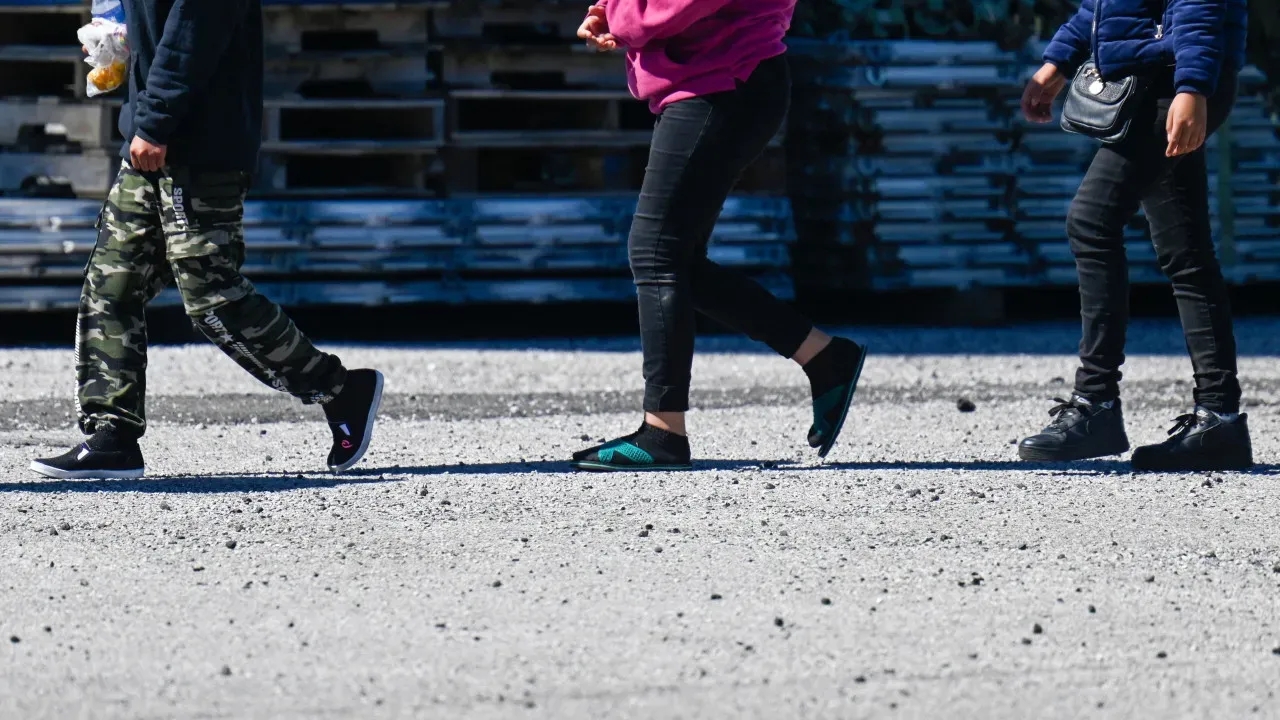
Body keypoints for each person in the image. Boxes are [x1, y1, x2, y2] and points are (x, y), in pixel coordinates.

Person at [30, 0, 383, 480]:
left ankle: (340, 389)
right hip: (150, 138)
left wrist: (155, 120)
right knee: (111, 284)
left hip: (196, 142)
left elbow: (195, 28)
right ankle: (111, 436)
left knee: (211, 296)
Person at [570, 0, 868, 472]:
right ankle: (825, 358)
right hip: (722, 80)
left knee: (655, 251)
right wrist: (611, 8)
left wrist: (625, 20)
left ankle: (663, 433)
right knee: (678, 261)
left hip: (725, 82)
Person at [1017, 0, 1253, 470]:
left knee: (1091, 222)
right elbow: (1104, 6)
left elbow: (1199, 5)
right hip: (1160, 78)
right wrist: (1057, 62)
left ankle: (1096, 404)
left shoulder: (1186, 78)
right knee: (1186, 250)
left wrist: (1193, 87)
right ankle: (1219, 421)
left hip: (1172, 81)